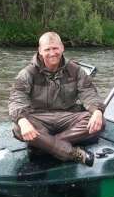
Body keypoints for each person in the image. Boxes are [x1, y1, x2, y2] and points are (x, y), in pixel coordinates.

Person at [8, 32, 104, 166]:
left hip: (67, 116)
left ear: (62, 48)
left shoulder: (76, 70)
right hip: (39, 118)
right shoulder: (27, 73)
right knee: (18, 127)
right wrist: (23, 121)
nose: (52, 53)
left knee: (98, 121)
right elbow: (16, 99)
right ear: (40, 51)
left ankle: (42, 147)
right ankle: (69, 152)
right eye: (47, 49)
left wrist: (97, 111)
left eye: (55, 48)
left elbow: (89, 93)